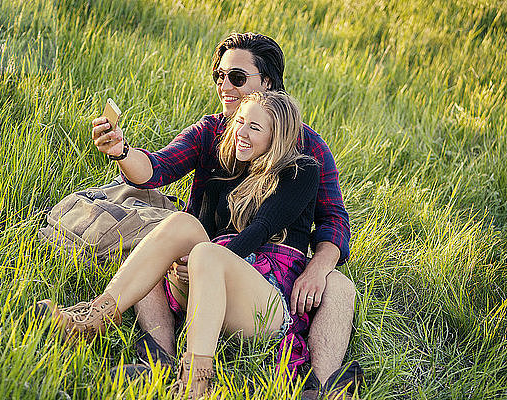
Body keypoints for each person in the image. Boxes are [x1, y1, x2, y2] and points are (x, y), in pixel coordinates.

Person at [69, 32, 361, 398]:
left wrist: (319, 267)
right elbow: (157, 168)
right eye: (219, 76)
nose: (224, 86)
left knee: (339, 286)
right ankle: (102, 322)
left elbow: (331, 218)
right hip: (206, 260)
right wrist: (121, 150)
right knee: (172, 227)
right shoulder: (214, 133)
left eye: (236, 78)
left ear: (266, 84)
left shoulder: (304, 154)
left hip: (252, 277)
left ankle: (217, 383)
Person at [39, 91, 323, 398]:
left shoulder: (302, 171)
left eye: (254, 128)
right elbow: (172, 187)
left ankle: (195, 383)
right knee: (182, 224)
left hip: (266, 301)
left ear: (277, 138)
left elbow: (262, 227)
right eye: (240, 121)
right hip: (215, 279)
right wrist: (190, 261)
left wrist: (206, 258)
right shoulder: (227, 166)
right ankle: (94, 318)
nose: (240, 132)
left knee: (206, 252)